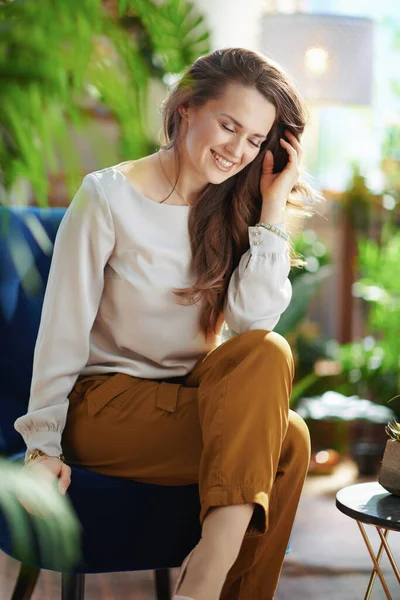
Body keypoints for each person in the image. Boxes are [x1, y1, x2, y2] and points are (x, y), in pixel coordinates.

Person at [15, 47, 320, 600]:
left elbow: (253, 326)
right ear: (186, 107)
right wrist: (42, 447)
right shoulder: (107, 196)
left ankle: (207, 572)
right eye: (229, 125)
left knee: (269, 356)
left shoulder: (235, 206)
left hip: (189, 396)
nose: (237, 150)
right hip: (104, 404)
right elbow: (60, 330)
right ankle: (205, 583)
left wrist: (271, 210)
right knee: (290, 442)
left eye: (255, 140)